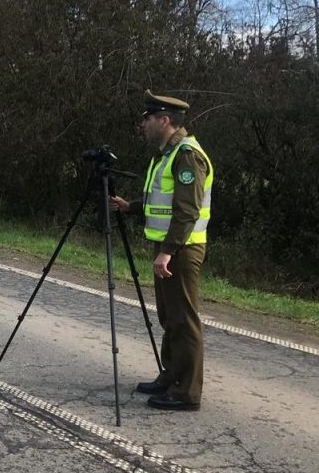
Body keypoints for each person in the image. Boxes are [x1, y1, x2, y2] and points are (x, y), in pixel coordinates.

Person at [110, 90, 213, 412]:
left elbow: (187, 211)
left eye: (148, 119)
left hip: (183, 249)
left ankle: (186, 393)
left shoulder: (186, 155)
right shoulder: (167, 153)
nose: (144, 124)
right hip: (172, 246)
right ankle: (170, 376)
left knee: (183, 319)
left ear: (164, 120)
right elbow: (163, 203)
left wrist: (167, 251)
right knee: (170, 317)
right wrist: (132, 207)